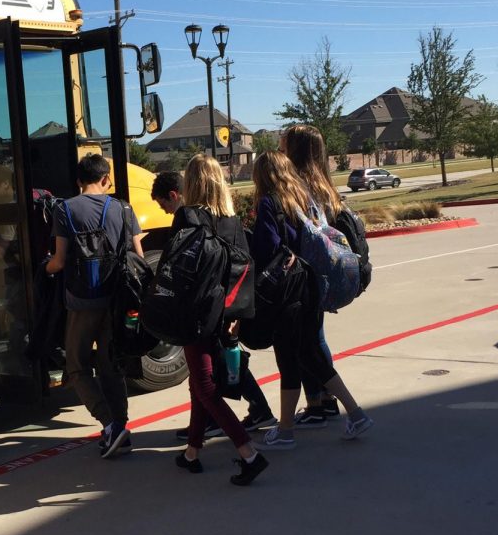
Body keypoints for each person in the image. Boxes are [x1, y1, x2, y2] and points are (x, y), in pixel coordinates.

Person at [250, 151, 373, 450]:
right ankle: (354, 413)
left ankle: (286, 431)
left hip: (287, 292)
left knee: (289, 359)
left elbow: (267, 249)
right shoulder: (305, 200)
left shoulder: (269, 203)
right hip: (313, 286)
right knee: (310, 356)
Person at [152, 171, 277, 442]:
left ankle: (237, 437)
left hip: (204, 305)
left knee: (207, 373)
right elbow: (244, 263)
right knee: (221, 362)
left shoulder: (191, 219)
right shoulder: (230, 218)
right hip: (228, 303)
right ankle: (245, 415)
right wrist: (238, 310)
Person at [172, 154, 268, 486]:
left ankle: (249, 454)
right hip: (225, 314)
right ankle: (192, 453)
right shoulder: (232, 221)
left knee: (205, 386)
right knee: (199, 385)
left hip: (196, 313)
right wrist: (237, 317)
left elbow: (177, 269)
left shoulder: (187, 217)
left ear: (191, 182)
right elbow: (244, 269)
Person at [46, 153, 143, 459]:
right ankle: (121, 426)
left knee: (76, 365)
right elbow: (138, 257)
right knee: (110, 363)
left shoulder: (65, 209)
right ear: (105, 179)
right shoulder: (123, 208)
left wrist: (42, 269)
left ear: (78, 181)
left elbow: (59, 261)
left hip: (82, 301)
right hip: (116, 300)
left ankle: (110, 424)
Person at [282, 124, 345, 427]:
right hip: (325, 271)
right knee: (315, 337)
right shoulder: (325, 185)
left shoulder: (298, 186)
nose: (280, 147)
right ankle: (326, 401)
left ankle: (317, 404)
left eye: (284, 143)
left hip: (305, 274)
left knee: (306, 341)